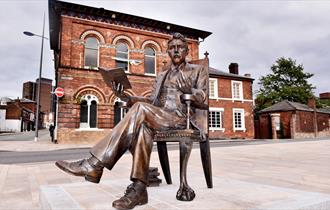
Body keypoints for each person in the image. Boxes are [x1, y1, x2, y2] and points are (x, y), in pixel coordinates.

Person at [55, 32, 208, 210]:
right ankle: (139, 189)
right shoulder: (162, 75)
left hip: (181, 117)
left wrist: (190, 90)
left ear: (186, 50)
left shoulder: (197, 70)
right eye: (172, 48)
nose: (175, 50)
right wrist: (125, 98)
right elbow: (152, 101)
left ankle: (94, 164)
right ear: (167, 51)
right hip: (159, 115)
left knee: (141, 111)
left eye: (179, 47)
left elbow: (203, 99)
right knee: (142, 126)